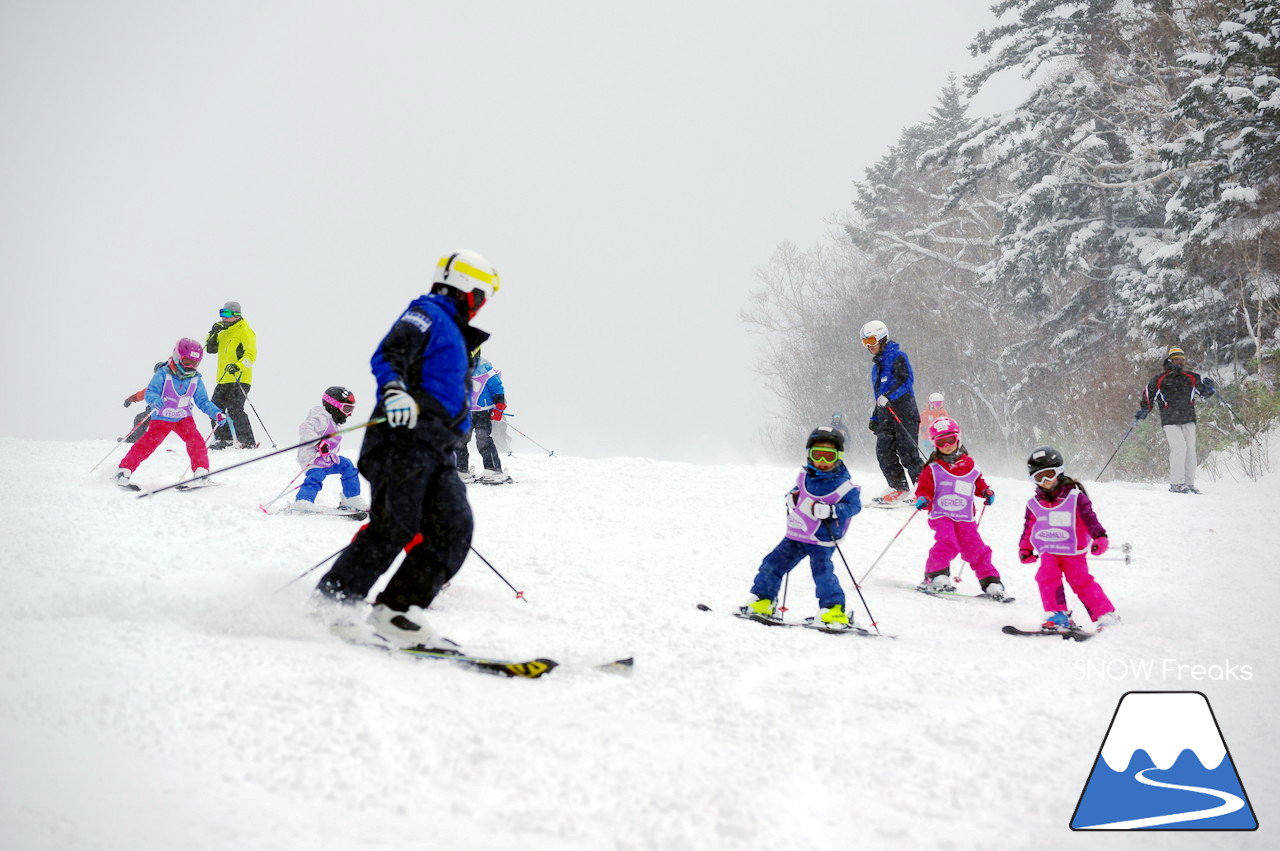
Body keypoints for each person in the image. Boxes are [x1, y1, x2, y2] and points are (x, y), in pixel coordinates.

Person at [315, 249, 500, 648]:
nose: (482, 307)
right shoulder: (427, 314)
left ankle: (397, 611)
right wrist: (395, 391)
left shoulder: (455, 331)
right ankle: (333, 605)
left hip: (437, 449)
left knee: (454, 527)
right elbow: (390, 352)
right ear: (469, 288)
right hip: (402, 440)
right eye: (483, 297)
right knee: (395, 524)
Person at [741, 426, 863, 628]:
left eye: (828, 456)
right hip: (797, 535)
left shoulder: (844, 485)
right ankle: (763, 600)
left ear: (838, 457)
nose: (822, 462)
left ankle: (833, 610)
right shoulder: (804, 477)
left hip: (822, 538)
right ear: (809, 455)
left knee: (822, 573)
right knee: (772, 564)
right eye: (818, 455)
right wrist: (791, 497)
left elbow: (854, 507)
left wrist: (832, 510)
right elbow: (798, 492)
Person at [1019, 446, 1119, 632]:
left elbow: (1090, 518)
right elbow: (1028, 528)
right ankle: (1057, 615)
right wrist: (1025, 549)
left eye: (1049, 474)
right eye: (1039, 477)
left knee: (1080, 581)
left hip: (1072, 550)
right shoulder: (1034, 504)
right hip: (1048, 549)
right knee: (1046, 577)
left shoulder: (1075, 497)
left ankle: (1105, 614)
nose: (1046, 481)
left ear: (1059, 471)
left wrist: (1100, 537)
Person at [912, 417, 1005, 599]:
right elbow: (924, 489)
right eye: (941, 441)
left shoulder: (969, 464)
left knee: (975, 547)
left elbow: (977, 482)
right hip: (941, 513)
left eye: (950, 440)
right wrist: (923, 498)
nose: (947, 445)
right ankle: (936, 575)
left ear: (958, 439)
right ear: (934, 443)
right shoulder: (933, 468)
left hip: (964, 516)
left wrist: (985, 491)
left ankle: (990, 581)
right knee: (947, 542)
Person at [115, 339, 226, 489]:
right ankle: (124, 471)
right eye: (187, 361)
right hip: (162, 418)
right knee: (147, 444)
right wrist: (154, 400)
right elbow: (150, 392)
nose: (190, 367)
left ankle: (201, 473)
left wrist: (216, 413)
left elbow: (203, 401)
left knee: (196, 441)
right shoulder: (163, 374)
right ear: (176, 356)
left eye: (195, 363)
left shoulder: (195, 379)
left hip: (183, 418)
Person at [1136, 346, 1216, 494]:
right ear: (1170, 360)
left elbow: (1204, 394)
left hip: (1188, 418)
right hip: (1170, 419)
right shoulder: (1160, 379)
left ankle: (1189, 484)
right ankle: (1176, 484)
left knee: (1190, 451)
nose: (1180, 362)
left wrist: (1210, 388)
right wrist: (1144, 409)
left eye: (1182, 359)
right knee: (1179, 448)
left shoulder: (1192, 377)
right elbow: (1148, 394)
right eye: (1177, 359)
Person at [860, 319, 923, 505]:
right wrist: (875, 416)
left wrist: (890, 396)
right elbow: (878, 397)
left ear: (882, 337)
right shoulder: (875, 368)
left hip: (904, 412)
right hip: (886, 416)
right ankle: (898, 487)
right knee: (883, 451)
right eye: (865, 342)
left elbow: (907, 381)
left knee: (907, 451)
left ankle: (923, 488)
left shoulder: (898, 357)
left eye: (871, 340)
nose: (869, 346)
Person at [291, 386, 368, 513]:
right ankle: (303, 500)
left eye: (351, 409)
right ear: (334, 406)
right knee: (316, 476)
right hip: (312, 459)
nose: (349, 414)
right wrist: (318, 443)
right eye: (346, 409)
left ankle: (351, 498)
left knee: (347, 465)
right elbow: (305, 428)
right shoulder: (321, 418)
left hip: (327, 459)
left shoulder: (333, 421)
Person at [205, 300, 258, 449]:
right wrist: (212, 333)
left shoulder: (245, 330)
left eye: (227, 313)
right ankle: (224, 439)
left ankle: (247, 442)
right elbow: (210, 349)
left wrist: (238, 366)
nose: (223, 317)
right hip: (223, 379)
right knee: (214, 408)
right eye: (222, 313)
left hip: (240, 377)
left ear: (236, 315)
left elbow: (251, 355)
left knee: (235, 409)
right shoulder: (223, 331)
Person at [456, 351, 511, 484]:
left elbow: (498, 389)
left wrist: (499, 407)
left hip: (482, 413)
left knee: (483, 438)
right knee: (459, 440)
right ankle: (461, 469)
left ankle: (493, 469)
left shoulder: (486, 372)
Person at [121, 361, 167, 443]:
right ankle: (140, 438)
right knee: (141, 418)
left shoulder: (167, 384)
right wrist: (129, 399)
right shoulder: (156, 385)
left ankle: (137, 439)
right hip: (154, 411)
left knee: (141, 418)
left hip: (161, 411)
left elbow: (144, 393)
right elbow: (143, 394)